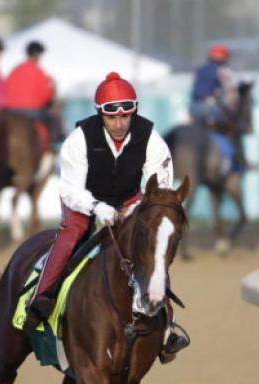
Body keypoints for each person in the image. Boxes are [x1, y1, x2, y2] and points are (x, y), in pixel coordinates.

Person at [23, 71, 189, 362]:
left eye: (126, 117)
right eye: (112, 118)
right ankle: (42, 298)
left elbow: (159, 191)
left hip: (131, 201)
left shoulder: (152, 140)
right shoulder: (78, 139)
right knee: (72, 232)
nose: (119, 124)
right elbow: (71, 189)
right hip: (84, 201)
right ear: (100, 114)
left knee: (152, 242)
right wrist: (99, 208)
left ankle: (167, 324)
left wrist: (134, 210)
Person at [4, 40, 57, 150]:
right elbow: (46, 95)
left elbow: (6, 89)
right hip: (32, 112)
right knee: (53, 121)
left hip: (12, 112)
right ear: (38, 55)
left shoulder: (15, 70)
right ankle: (49, 151)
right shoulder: (38, 71)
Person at [190, 43, 238, 128]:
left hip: (194, 108)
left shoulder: (200, 70)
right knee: (229, 127)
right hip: (211, 109)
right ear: (225, 58)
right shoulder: (224, 71)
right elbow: (231, 96)